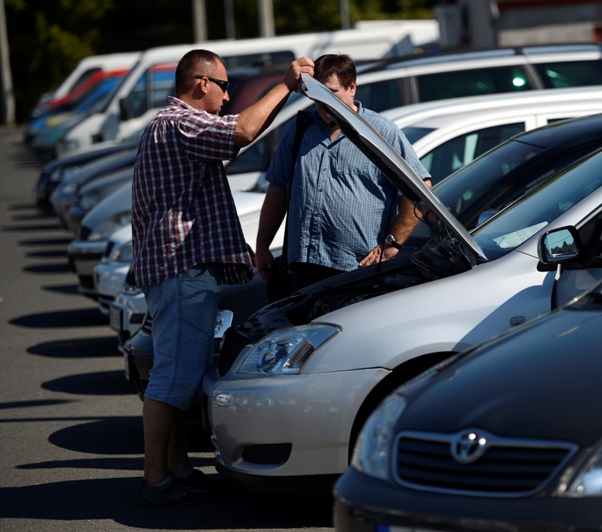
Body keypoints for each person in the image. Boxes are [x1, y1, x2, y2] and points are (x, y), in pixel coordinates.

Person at [131, 49, 313, 506]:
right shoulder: (181, 122)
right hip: (181, 271)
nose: (229, 95)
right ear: (201, 85)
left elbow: (238, 133)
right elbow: (245, 130)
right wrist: (286, 84)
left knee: (184, 376)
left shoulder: (171, 125)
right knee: (173, 378)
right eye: (225, 86)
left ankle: (176, 470)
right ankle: (156, 480)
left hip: (179, 270)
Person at [255, 53, 431, 293]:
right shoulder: (299, 129)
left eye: (331, 92)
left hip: (356, 272)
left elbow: (421, 190)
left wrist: (391, 244)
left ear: (352, 88)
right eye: (316, 92)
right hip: (303, 269)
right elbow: (278, 190)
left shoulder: (380, 132)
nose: (322, 101)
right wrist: (263, 245)